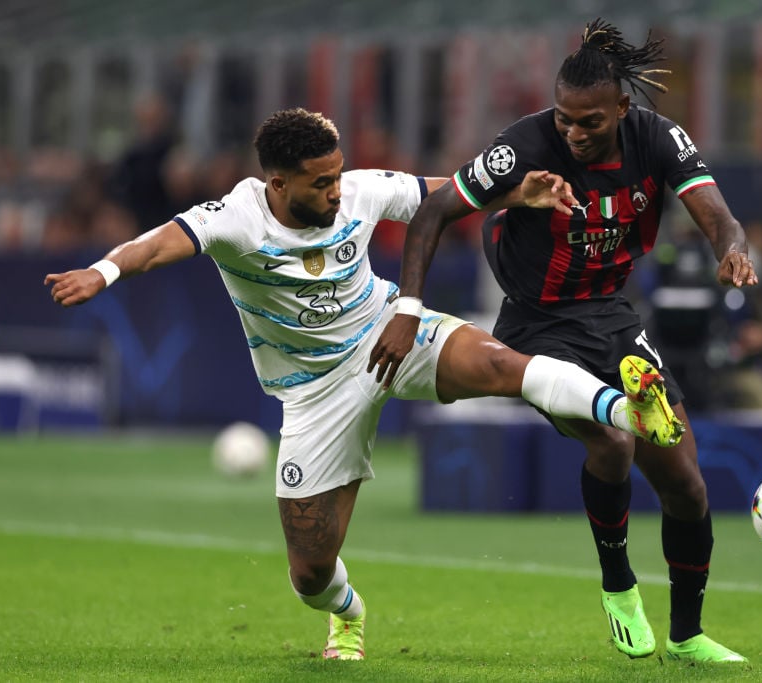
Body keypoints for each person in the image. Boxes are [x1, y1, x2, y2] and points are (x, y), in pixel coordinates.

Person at [44, 107, 681, 661]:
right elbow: (159, 245)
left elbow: (443, 192)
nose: (336, 192)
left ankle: (628, 412)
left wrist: (516, 194)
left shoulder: (360, 188)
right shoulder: (238, 217)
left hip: (388, 333)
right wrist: (102, 273)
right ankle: (348, 613)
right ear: (278, 183)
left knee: (499, 364)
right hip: (314, 391)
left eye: (338, 175)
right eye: (320, 183)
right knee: (310, 572)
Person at [371, 19, 757, 663]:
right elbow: (434, 211)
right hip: (535, 324)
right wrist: (408, 310)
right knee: (611, 439)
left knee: (686, 483)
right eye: (565, 119)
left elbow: (719, 217)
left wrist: (734, 251)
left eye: (590, 123)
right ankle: (618, 587)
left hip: (612, 319)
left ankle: (688, 636)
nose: (574, 134)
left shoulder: (659, 139)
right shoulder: (520, 148)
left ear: (622, 110)